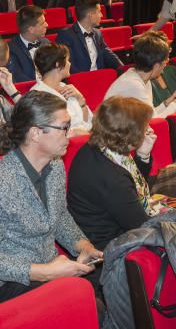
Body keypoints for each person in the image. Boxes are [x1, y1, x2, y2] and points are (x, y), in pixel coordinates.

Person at [0, 91, 102, 309]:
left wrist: (82, 245)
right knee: (82, 303)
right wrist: (45, 273)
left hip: (48, 267)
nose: (71, 133)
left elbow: (59, 216)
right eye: (64, 127)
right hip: (5, 285)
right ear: (36, 133)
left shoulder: (55, 165)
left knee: (108, 281)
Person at [68, 97, 167, 250]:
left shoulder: (98, 147)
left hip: (116, 231)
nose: (148, 129)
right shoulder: (111, 177)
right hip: (113, 249)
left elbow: (133, 186)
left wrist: (143, 155)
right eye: (144, 127)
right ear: (130, 134)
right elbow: (142, 227)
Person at [105, 31, 176, 116]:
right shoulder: (133, 84)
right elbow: (155, 122)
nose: (167, 63)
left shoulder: (143, 78)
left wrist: (173, 97)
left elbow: (151, 113)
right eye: (165, 60)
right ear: (156, 66)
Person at [31, 44, 92, 134]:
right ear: (58, 64)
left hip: (85, 139)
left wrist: (81, 99)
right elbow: (49, 133)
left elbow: (88, 123)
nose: (70, 64)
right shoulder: (38, 94)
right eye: (67, 60)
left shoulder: (66, 87)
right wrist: (76, 133)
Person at [57, 0, 124, 72]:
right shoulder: (66, 35)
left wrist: (124, 69)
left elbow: (109, 55)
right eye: (99, 11)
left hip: (100, 77)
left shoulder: (97, 34)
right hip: (80, 80)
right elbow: (69, 67)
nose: (101, 15)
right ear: (90, 15)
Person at [6, 4, 50, 82]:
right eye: (43, 23)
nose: (47, 25)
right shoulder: (11, 49)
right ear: (31, 29)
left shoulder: (46, 42)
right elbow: (19, 79)